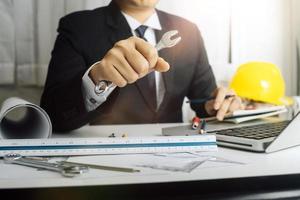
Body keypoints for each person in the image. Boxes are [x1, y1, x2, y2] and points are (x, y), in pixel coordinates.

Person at [41, 0, 243, 132]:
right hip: (108, 156)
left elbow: (204, 99)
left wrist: (218, 105)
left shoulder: (188, 30)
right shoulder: (78, 27)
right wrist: (97, 78)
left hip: (175, 153)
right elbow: (52, 116)